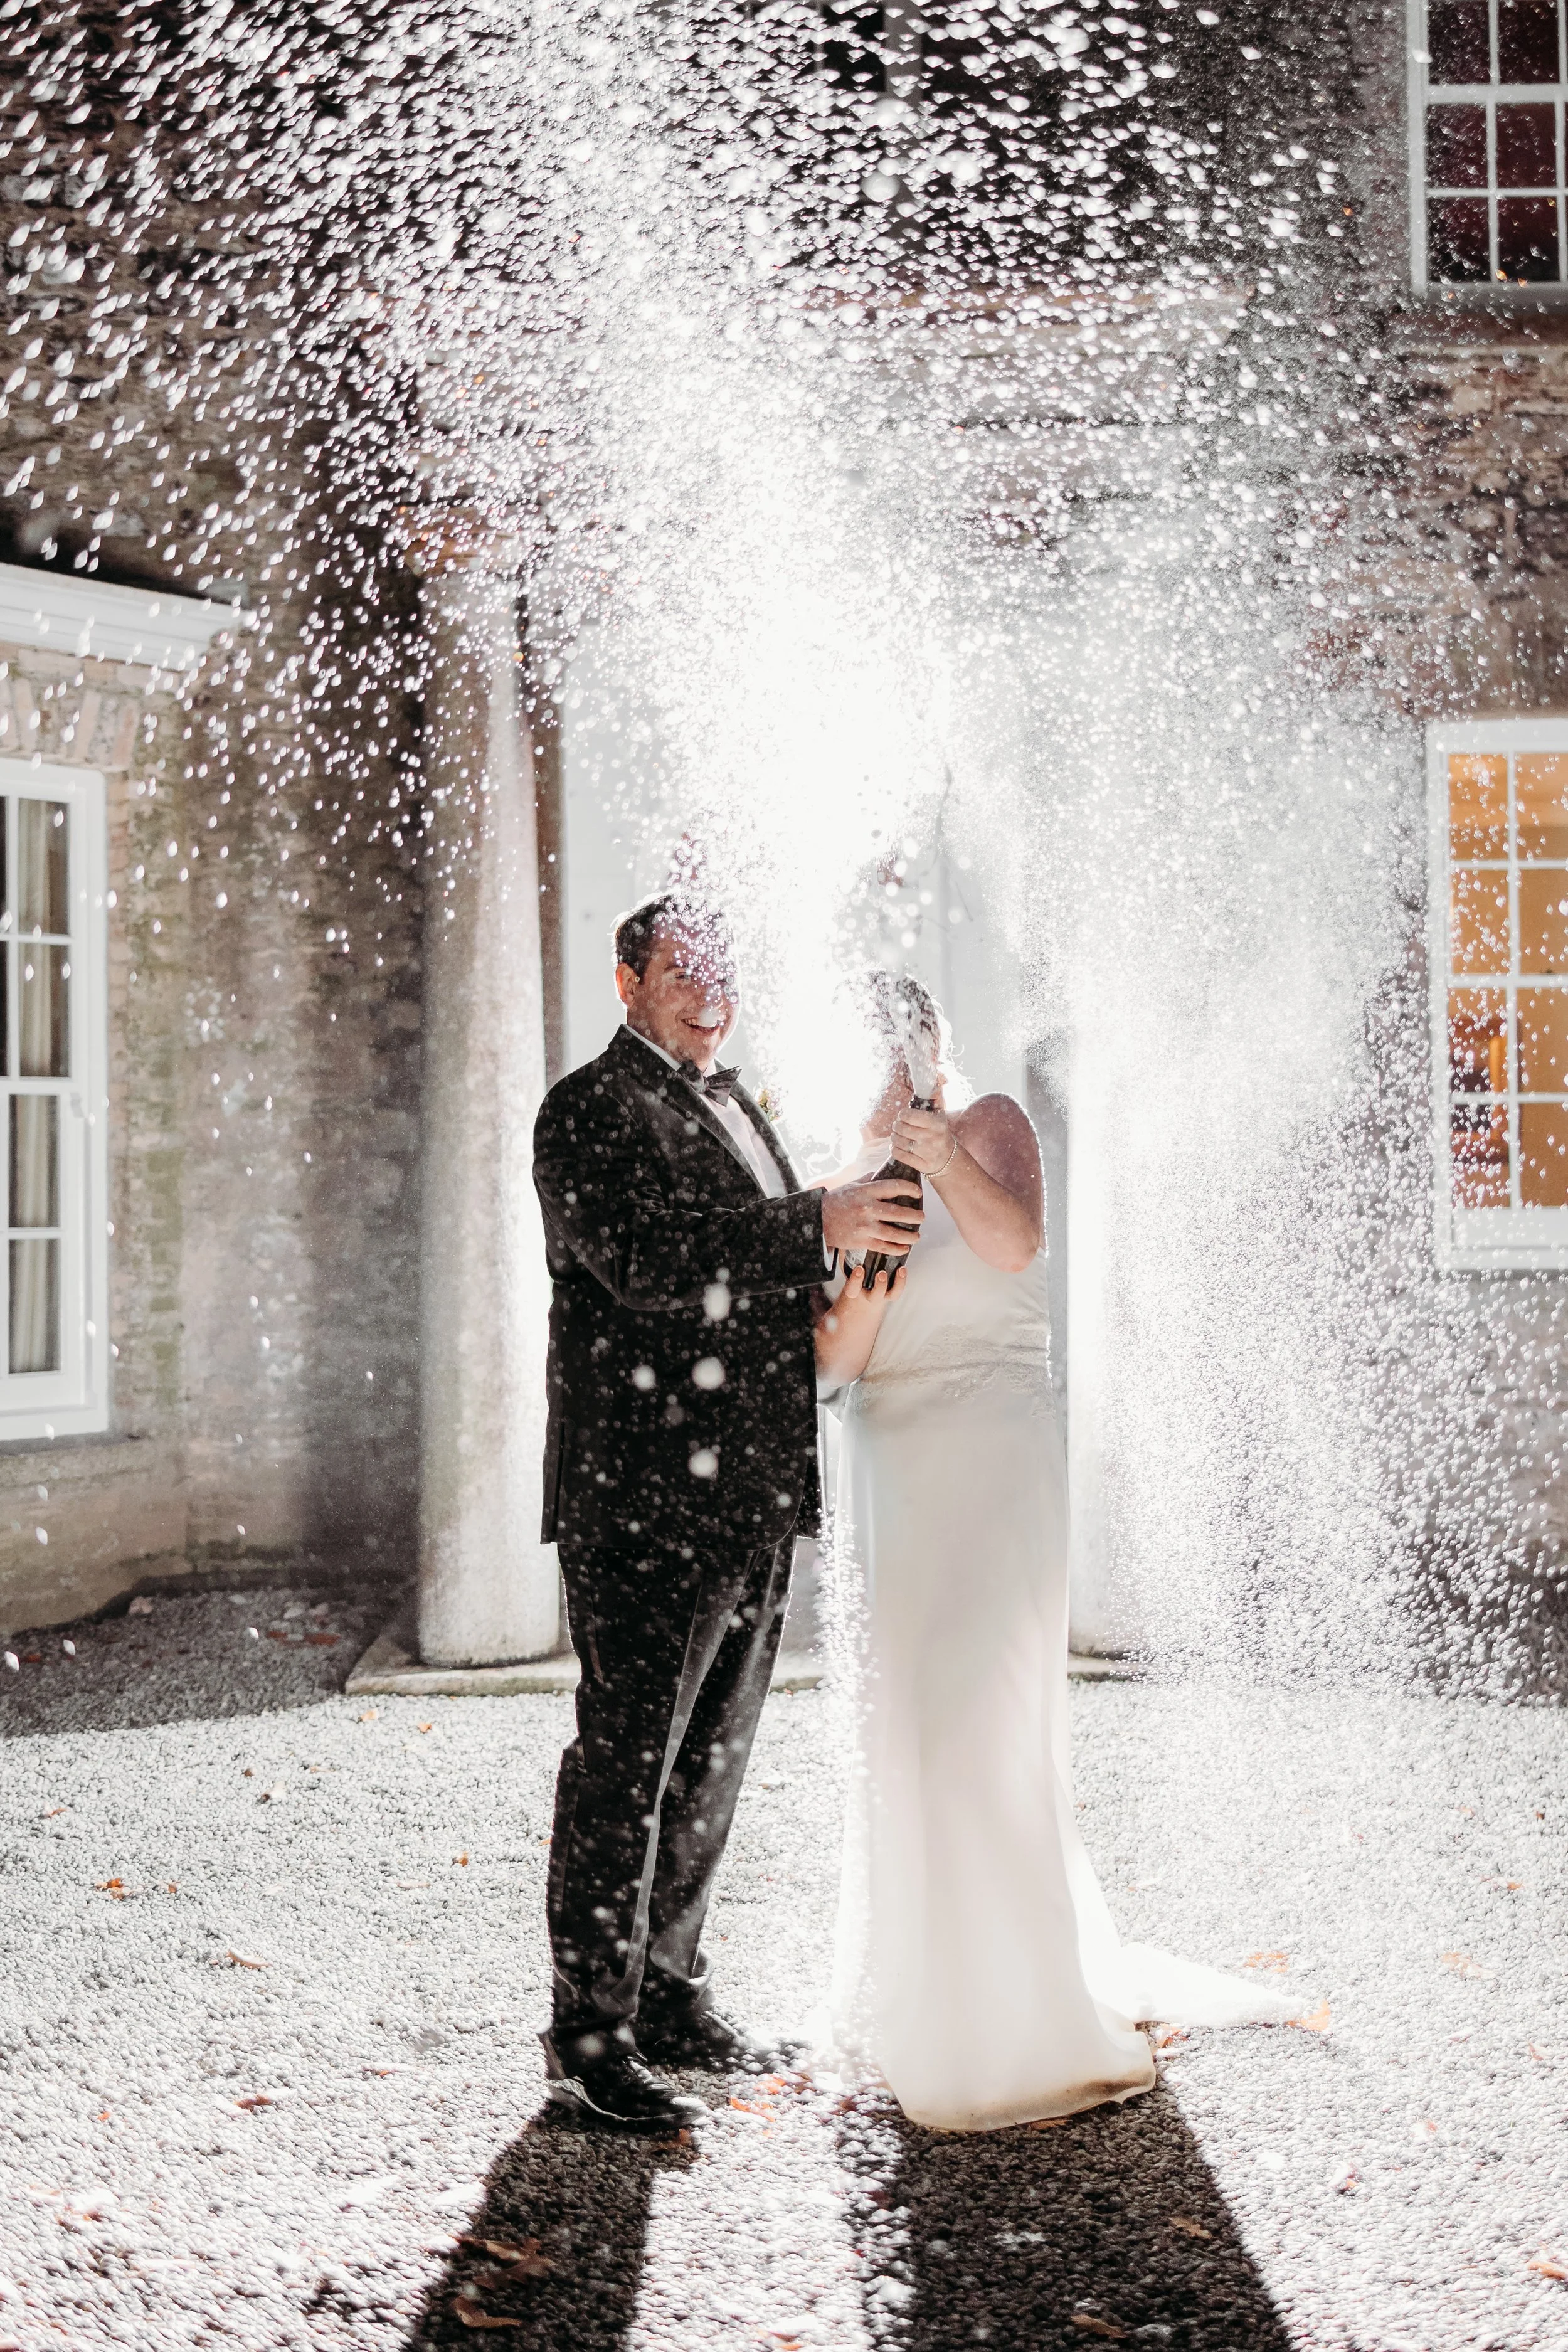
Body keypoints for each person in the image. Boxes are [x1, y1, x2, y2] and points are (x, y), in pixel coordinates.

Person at [815, 971, 1294, 2132]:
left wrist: (937, 1159)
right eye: (874, 1048)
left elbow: (1018, 1244)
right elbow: (833, 1362)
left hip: (995, 1449)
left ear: (938, 1042)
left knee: (991, 1721)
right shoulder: (838, 1182)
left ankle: (1028, 2015)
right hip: (896, 1462)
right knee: (918, 1730)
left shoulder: (991, 1128)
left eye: (909, 1041)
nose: (894, 1066)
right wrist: (869, 1254)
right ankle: (936, 2004)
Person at [531, 896, 929, 2132]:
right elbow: (646, 1262)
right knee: (627, 1767)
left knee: (709, 1765)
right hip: (640, 1495)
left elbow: (765, 1264)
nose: (710, 993)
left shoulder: (738, 1101)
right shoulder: (587, 1108)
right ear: (625, 980)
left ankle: (668, 1996)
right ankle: (588, 2036)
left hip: (751, 1495)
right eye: (682, 971)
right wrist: (812, 1216)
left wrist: (844, 1224)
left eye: (724, 972)